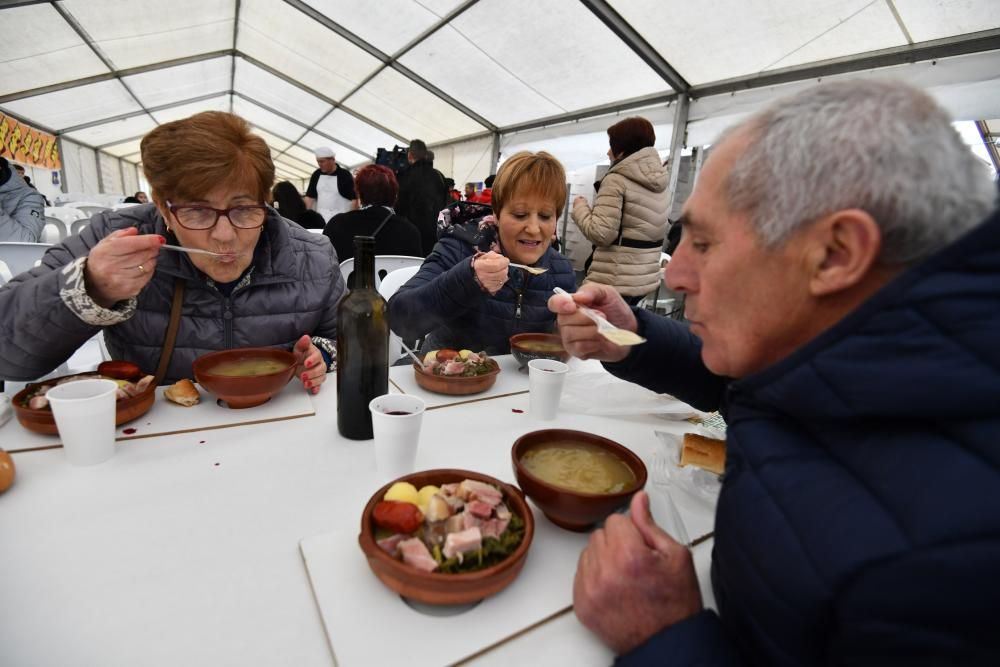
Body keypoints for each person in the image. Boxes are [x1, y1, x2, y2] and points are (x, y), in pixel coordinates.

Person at [549, 80, 999, 665]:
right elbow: (761, 392)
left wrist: (664, 636)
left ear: (836, 254)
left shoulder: (943, 569)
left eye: (704, 243)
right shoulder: (871, 365)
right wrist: (630, 335)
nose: (676, 273)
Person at [0, 111, 345, 393]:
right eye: (197, 211)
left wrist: (322, 355)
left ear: (266, 202)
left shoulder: (312, 256)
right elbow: (8, 355)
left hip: (279, 427)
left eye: (244, 209)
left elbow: (342, 340)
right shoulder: (116, 238)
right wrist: (89, 286)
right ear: (163, 209)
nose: (225, 236)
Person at [388, 151, 576, 355]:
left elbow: (561, 344)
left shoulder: (561, 270)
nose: (533, 228)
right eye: (520, 214)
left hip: (521, 381)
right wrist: (468, 279)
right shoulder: (459, 247)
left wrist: (574, 329)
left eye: (545, 216)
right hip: (448, 377)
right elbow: (401, 318)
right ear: (496, 213)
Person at [572, 116, 669, 305]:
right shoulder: (661, 182)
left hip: (613, 279)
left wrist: (580, 208)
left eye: (612, 145)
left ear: (622, 149)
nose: (608, 152)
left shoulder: (616, 179)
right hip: (643, 279)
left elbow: (601, 234)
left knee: (591, 330)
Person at [322, 164, 422, 267]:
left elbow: (323, 266)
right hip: (394, 283)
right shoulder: (409, 231)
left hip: (346, 283)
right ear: (394, 193)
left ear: (359, 192)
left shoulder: (336, 225)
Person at [396, 139, 448, 256]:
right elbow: (445, 205)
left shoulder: (404, 177)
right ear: (425, 155)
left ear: (409, 155)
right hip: (436, 237)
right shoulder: (439, 176)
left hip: (410, 237)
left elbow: (399, 208)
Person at [0, 156, 45, 242]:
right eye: (19, 173)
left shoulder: (29, 195)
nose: (21, 175)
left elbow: (26, 242)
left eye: (22, 173)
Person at [305, 147, 356, 222]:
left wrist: (352, 218)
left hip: (341, 219)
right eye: (318, 161)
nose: (319, 164)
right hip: (321, 218)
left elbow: (354, 199)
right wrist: (307, 215)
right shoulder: (316, 174)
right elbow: (310, 197)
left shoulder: (345, 175)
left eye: (322, 161)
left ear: (332, 160)